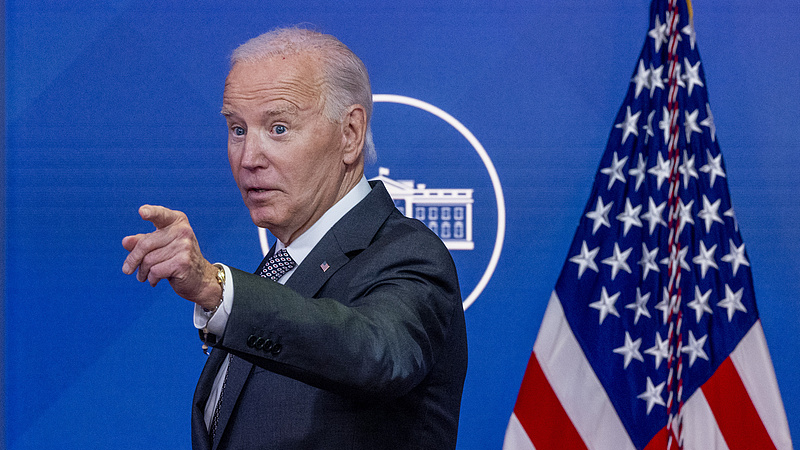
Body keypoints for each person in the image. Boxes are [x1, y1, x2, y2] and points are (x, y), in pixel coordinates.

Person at [121, 27, 467, 450]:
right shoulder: (281, 267)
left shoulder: (407, 254)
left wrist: (217, 289)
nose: (249, 159)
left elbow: (378, 355)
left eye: (279, 128)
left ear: (350, 134)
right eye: (237, 129)